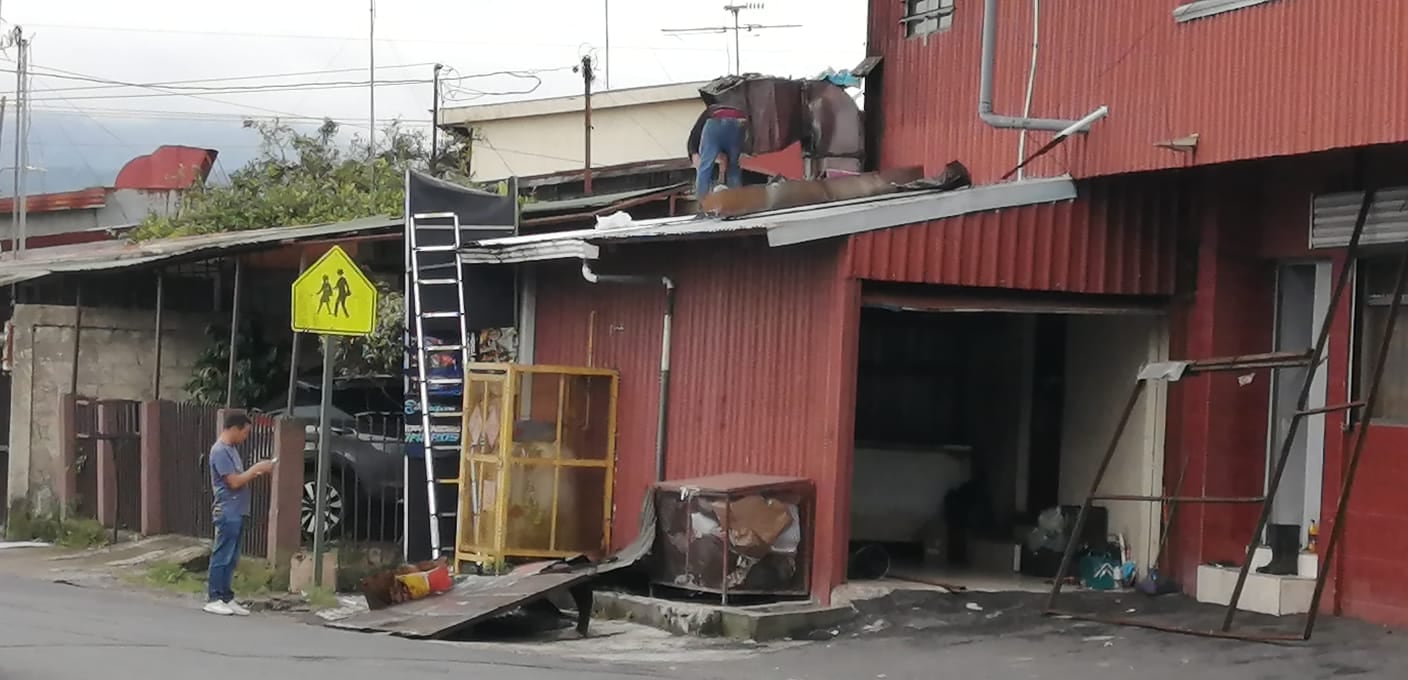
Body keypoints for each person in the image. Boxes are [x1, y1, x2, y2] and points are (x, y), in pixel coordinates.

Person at [204, 412, 274, 616]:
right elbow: (233, 481)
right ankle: (214, 596)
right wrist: (256, 469)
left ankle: (226, 596)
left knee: (232, 556)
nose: (246, 437)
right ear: (234, 429)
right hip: (227, 509)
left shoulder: (231, 450)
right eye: (245, 432)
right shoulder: (219, 451)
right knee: (222, 554)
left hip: (237, 509)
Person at [686, 103, 747, 199]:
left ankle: (703, 204)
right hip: (739, 120)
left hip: (716, 121)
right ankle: (737, 203)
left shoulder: (695, 138)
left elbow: (695, 135)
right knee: (733, 168)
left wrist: (694, 153)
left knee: (704, 168)